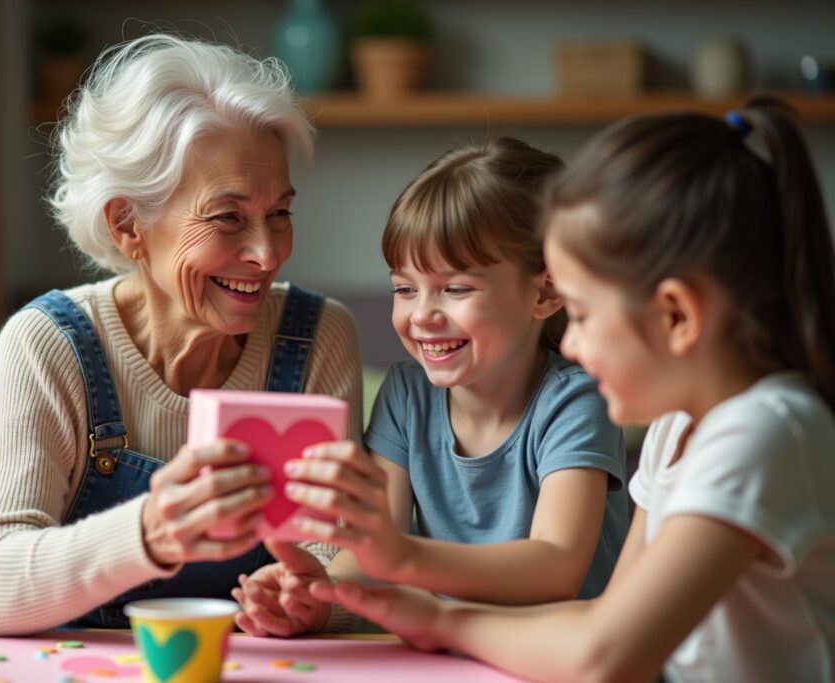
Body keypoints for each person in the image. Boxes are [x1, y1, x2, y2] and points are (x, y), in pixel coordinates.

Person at [310, 98, 835, 682]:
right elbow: (604, 624)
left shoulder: (763, 430)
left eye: (582, 314)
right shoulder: (676, 429)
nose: (575, 346)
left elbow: (604, 657)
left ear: (676, 316)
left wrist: (435, 614)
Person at [0, 34, 363, 635]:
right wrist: (149, 531)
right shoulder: (49, 342)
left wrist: (316, 596)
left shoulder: (317, 338)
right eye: (228, 216)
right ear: (128, 225)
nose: (266, 252)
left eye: (279, 212)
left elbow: (345, 553)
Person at [233, 138, 629, 637]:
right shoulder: (406, 395)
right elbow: (377, 552)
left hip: (559, 657)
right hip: (450, 652)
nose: (422, 315)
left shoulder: (575, 400)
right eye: (404, 288)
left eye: (456, 288)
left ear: (545, 291)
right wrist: (315, 594)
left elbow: (556, 568)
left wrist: (404, 558)